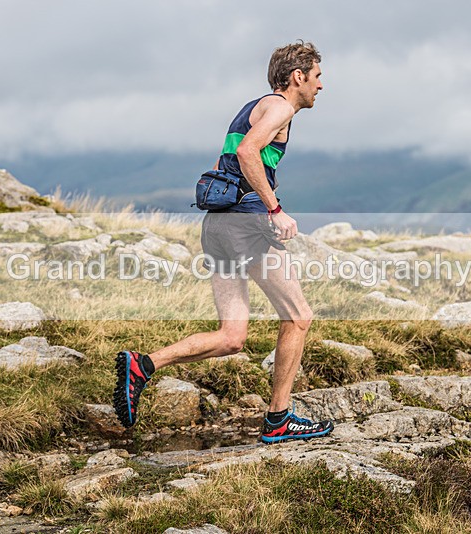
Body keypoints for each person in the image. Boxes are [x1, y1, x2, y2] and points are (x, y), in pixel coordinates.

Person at [113, 41, 334, 443]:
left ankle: (143, 365)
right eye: (317, 76)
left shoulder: (253, 107)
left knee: (232, 337)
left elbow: (224, 164)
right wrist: (274, 209)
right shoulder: (281, 108)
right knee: (299, 316)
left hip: (217, 225)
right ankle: (279, 418)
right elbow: (250, 152)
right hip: (246, 225)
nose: (321, 85)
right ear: (298, 77)